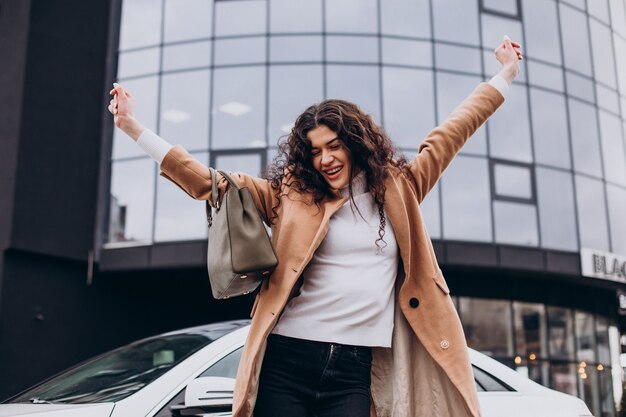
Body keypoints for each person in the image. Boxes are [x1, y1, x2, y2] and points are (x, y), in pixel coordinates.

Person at [109, 35, 522, 417]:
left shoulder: (402, 187)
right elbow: (208, 182)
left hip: (354, 370)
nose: (325, 159)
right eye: (315, 151)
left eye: (334, 146)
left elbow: (454, 130)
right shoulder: (292, 195)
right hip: (288, 360)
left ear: (356, 143)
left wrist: (505, 74)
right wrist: (132, 127)